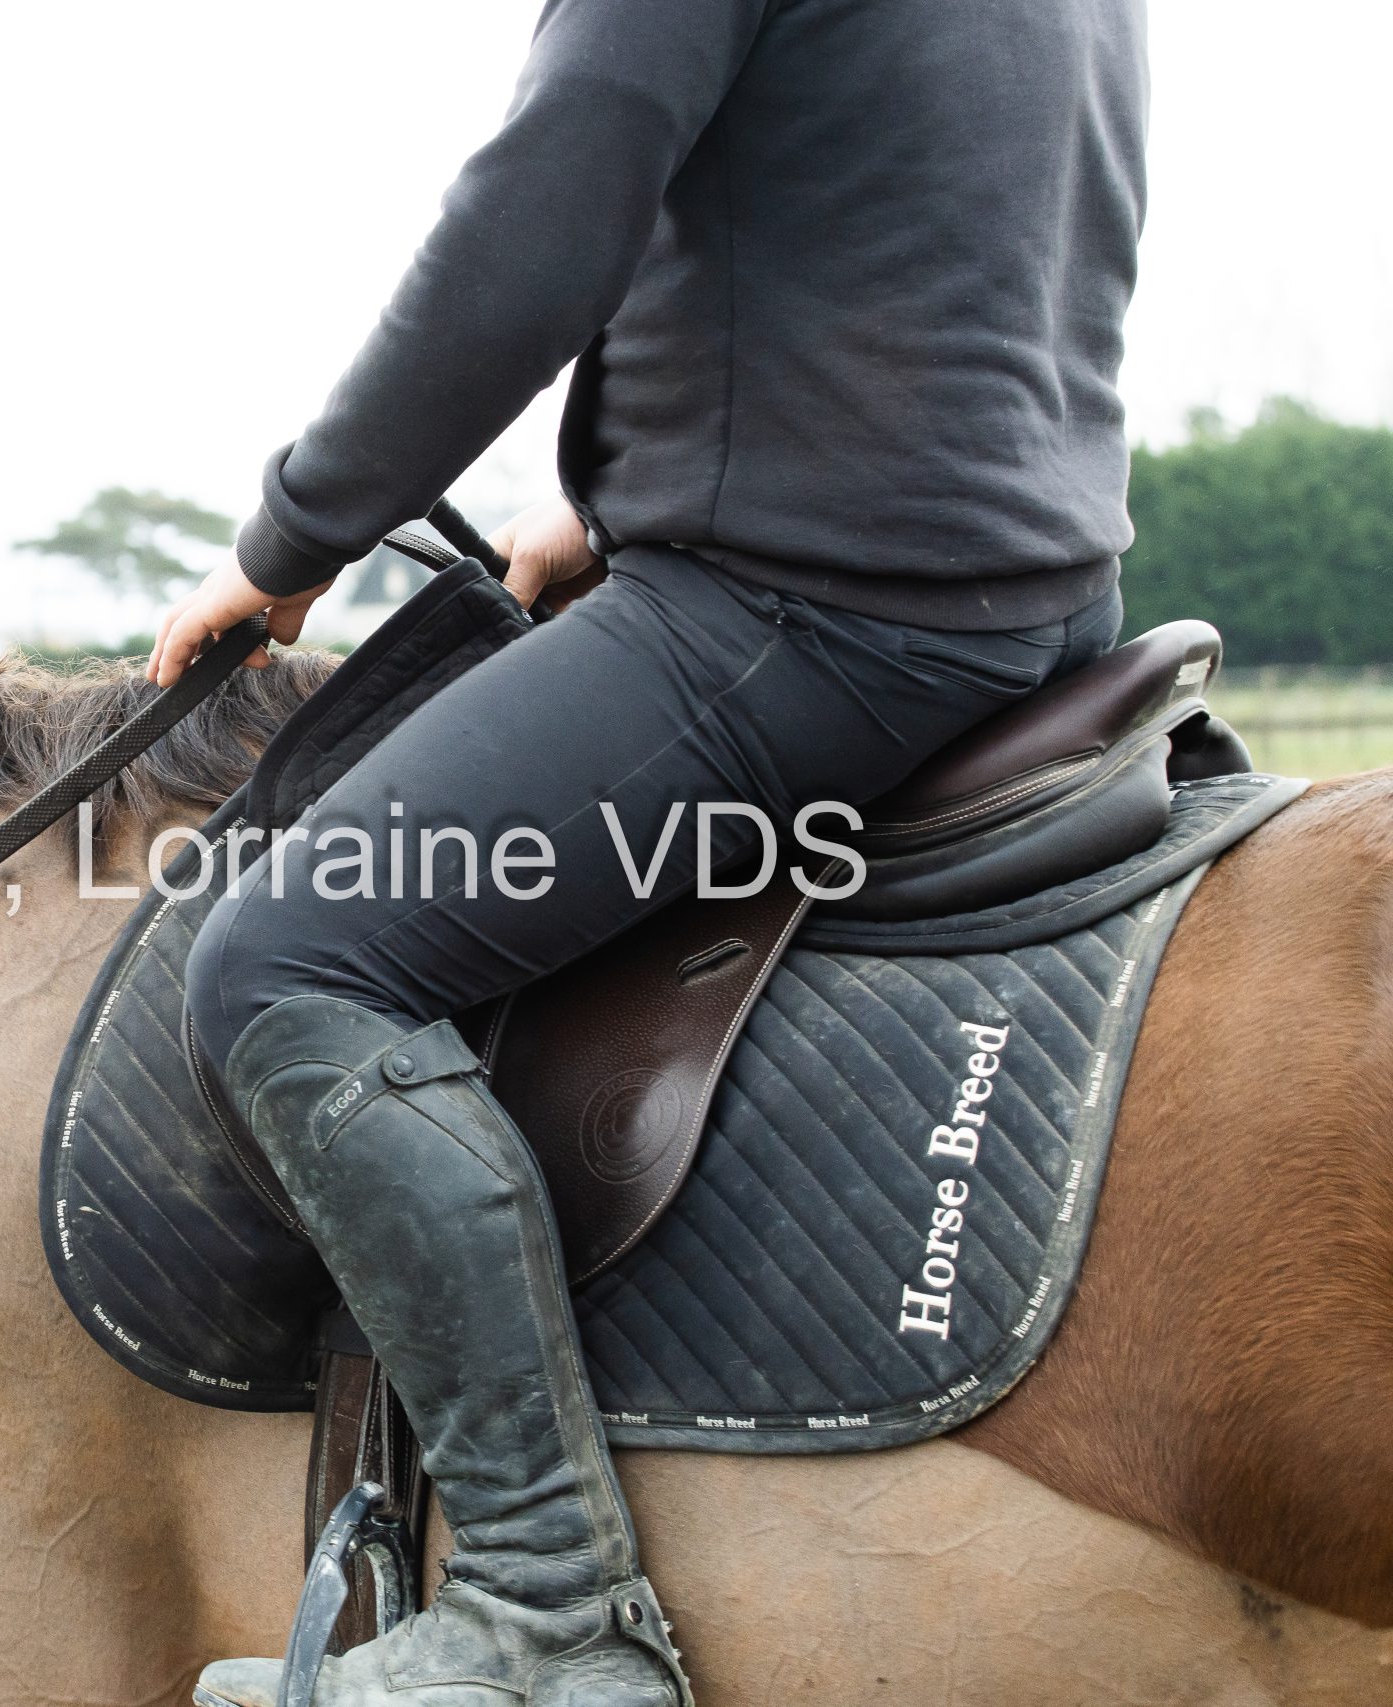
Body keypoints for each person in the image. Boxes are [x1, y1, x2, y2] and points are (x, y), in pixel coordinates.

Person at [154, 2, 1144, 1703]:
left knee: (284, 960)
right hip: (1041, 591)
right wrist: (624, 495)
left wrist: (298, 531)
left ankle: (546, 1609)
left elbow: (536, 224)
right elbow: (935, 226)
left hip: (813, 609)